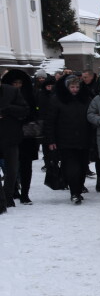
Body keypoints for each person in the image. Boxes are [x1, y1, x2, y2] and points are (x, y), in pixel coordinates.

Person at [44, 75, 92, 204]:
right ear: (67, 87)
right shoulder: (57, 100)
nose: (75, 90)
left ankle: (78, 188)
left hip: (84, 138)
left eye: (77, 87)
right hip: (65, 139)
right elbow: (50, 121)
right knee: (71, 166)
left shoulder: (86, 99)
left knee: (82, 166)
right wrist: (51, 140)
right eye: (72, 87)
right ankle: (74, 192)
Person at [1, 70, 38, 206]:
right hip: (9, 134)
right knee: (10, 167)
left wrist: (8, 110)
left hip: (22, 135)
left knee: (20, 166)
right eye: (14, 83)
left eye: (19, 83)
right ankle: (9, 194)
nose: (17, 86)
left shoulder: (25, 94)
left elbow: (29, 111)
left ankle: (21, 194)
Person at [0, 78, 29, 212]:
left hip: (10, 136)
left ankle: (8, 195)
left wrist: (7, 109)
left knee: (12, 170)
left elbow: (24, 110)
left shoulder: (11, 91)